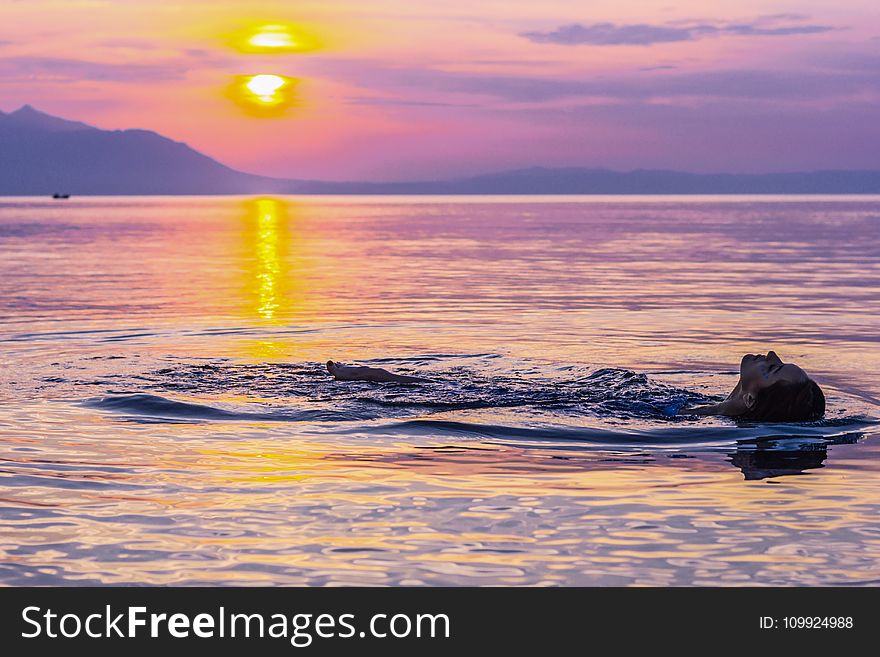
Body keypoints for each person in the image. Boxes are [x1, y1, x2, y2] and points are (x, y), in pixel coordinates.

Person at [326, 350, 825, 422]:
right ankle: (376, 378)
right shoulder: (693, 406)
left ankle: (372, 380)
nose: (774, 357)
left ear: (753, 395)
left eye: (777, 369)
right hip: (589, 399)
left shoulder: (682, 423)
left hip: (574, 407)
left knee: (447, 397)